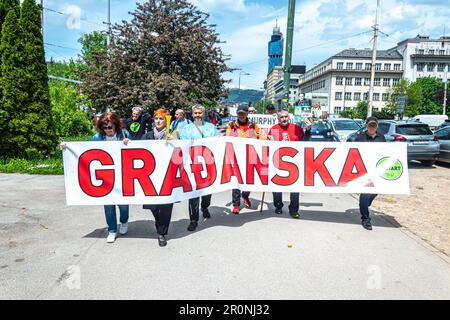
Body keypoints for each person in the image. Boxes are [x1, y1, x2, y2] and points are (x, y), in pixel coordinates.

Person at [64, 112, 131, 243]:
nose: (108, 130)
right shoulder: (97, 137)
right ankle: (112, 230)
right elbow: (84, 152)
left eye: (110, 127)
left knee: (123, 204)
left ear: (115, 126)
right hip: (104, 177)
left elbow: (136, 151)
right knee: (108, 205)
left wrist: (129, 143)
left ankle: (124, 221)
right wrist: (66, 147)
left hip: (122, 175)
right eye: (105, 128)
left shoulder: (124, 134)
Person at [180, 104, 220, 232]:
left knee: (207, 192)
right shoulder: (186, 129)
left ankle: (205, 207)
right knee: (193, 194)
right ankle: (193, 220)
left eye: (200, 113)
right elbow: (183, 145)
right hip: (193, 165)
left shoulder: (211, 128)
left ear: (204, 113)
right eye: (195, 113)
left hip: (208, 165)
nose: (198, 115)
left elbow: (218, 143)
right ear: (192, 114)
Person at [141, 108, 176, 246]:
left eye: (162, 118)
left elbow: (182, 151)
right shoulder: (147, 136)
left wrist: (176, 141)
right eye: (156, 118)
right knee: (153, 205)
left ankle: (161, 233)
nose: (159, 121)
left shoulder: (172, 135)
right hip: (150, 176)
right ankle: (159, 223)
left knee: (166, 204)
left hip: (167, 174)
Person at [268, 110, 312, 219]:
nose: (284, 119)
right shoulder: (274, 129)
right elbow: (269, 146)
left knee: (295, 188)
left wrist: (308, 131)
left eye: (286, 117)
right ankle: (278, 206)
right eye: (281, 117)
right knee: (277, 186)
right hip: (278, 162)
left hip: (294, 162)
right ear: (278, 119)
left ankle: (294, 210)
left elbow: (304, 141)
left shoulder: (296, 128)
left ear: (289, 118)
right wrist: (269, 141)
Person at [226, 105, 265, 214]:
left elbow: (260, 137)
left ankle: (245, 195)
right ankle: (236, 204)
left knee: (250, 180)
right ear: (237, 114)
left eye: (243, 113)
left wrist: (266, 139)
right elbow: (228, 138)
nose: (242, 116)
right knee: (236, 181)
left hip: (250, 156)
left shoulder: (253, 125)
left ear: (247, 114)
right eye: (240, 113)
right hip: (237, 157)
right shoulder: (231, 125)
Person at [350, 116, 386, 231]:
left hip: (377, 170)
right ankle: (365, 218)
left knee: (375, 192)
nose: (372, 127)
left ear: (377, 126)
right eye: (370, 125)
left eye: (374, 125)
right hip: (364, 170)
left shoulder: (381, 137)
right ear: (366, 125)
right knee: (365, 194)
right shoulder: (360, 137)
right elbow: (353, 153)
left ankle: (365, 204)